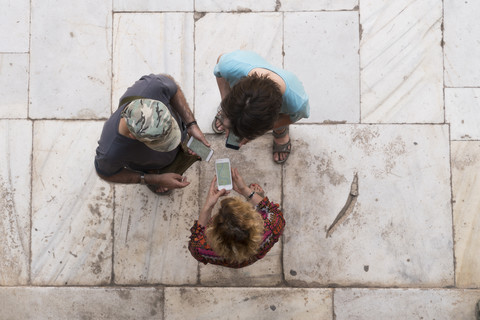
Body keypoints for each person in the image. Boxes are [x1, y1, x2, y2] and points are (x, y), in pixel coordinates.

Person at [94, 73, 209, 194]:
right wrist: (155, 179)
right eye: (162, 143)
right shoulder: (110, 153)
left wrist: (191, 124)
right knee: (165, 190)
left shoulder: (152, 86)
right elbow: (106, 174)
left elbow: (172, 87)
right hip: (154, 168)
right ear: (133, 136)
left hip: (180, 140)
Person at [212, 50, 310, 164]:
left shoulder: (297, 102)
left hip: (282, 109)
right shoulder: (229, 65)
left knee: (281, 122)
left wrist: (252, 134)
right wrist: (226, 106)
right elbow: (219, 70)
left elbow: (293, 117)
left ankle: (280, 130)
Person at [188, 168, 285, 268]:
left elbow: (195, 239)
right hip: (256, 251)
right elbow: (273, 211)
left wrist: (208, 206)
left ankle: (252, 207)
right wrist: (246, 191)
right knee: (261, 210)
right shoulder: (273, 226)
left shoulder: (202, 249)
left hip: (227, 259)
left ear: (215, 234)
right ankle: (253, 206)